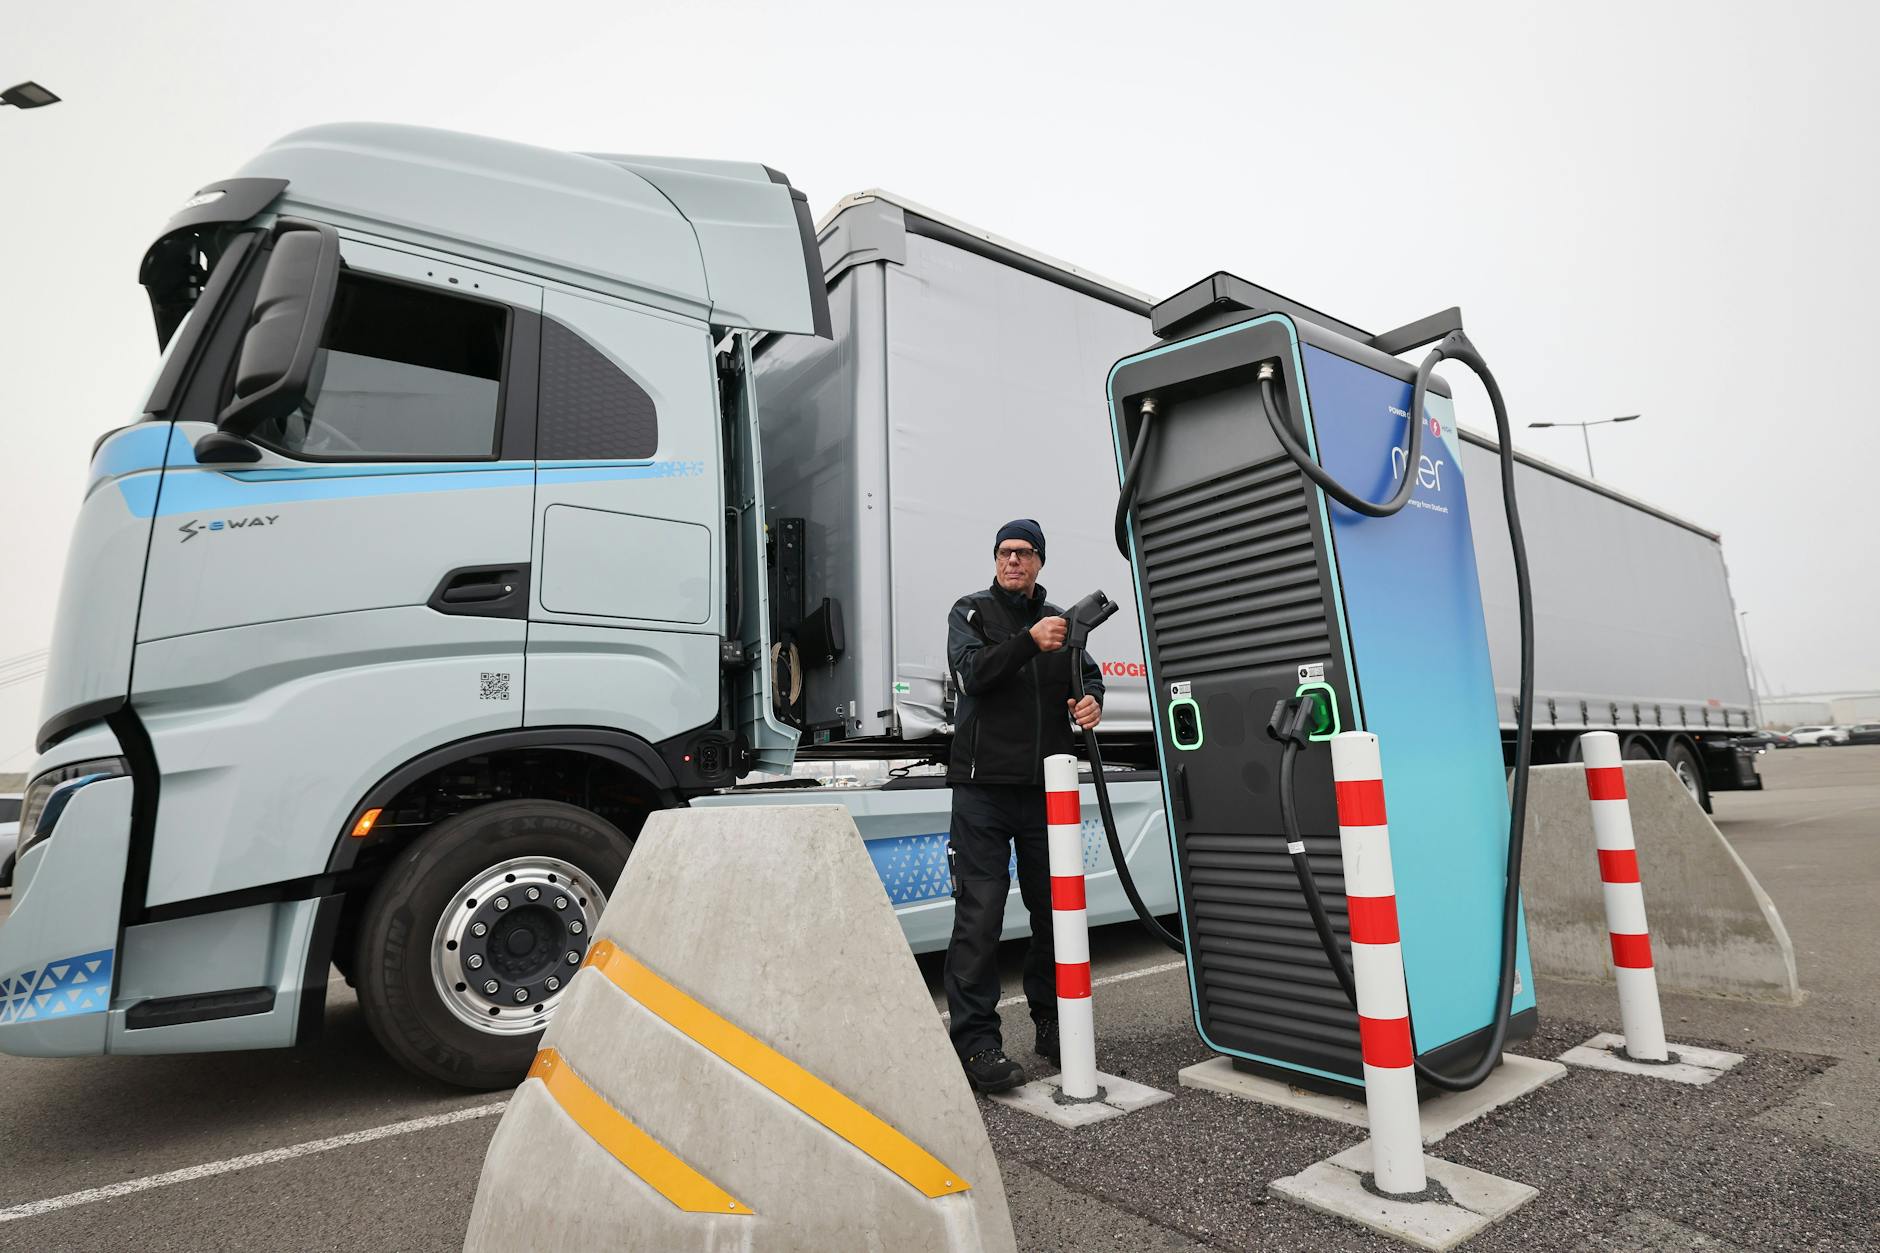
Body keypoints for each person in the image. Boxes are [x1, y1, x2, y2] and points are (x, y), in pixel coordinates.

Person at [944, 518, 1103, 1093]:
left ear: (1040, 562)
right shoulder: (970, 612)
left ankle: (1052, 1024)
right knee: (980, 917)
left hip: (1046, 791)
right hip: (982, 791)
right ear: (995, 559)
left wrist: (1091, 704)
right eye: (1005, 552)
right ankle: (979, 1044)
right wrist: (1026, 644)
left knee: (1054, 916)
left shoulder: (1064, 623)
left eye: (1025, 553)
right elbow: (972, 676)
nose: (1014, 561)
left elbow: (1090, 680)